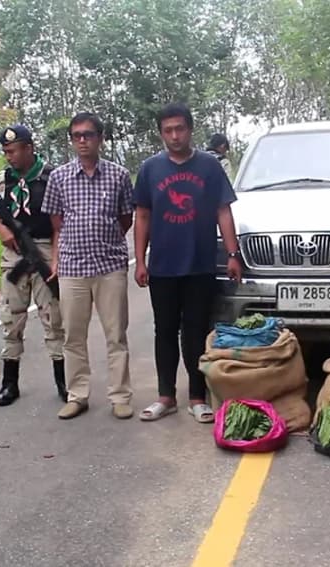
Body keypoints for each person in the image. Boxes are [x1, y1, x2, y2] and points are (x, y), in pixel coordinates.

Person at [133, 103, 242, 424]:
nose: (175, 135)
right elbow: (142, 215)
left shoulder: (209, 166)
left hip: (200, 263)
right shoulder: (151, 168)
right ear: (161, 133)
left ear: (190, 129)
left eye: (180, 128)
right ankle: (165, 396)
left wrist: (233, 254)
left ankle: (197, 396)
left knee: (195, 331)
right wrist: (140, 260)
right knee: (163, 331)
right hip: (163, 266)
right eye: (168, 130)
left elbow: (224, 210)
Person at [41, 113, 135, 420]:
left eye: (88, 135)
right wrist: (58, 257)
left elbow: (125, 219)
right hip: (72, 268)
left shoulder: (119, 175)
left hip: (109, 266)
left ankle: (120, 396)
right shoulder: (59, 177)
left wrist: (103, 240)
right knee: (73, 336)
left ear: (100, 138)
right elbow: (57, 222)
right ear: (71, 140)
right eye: (77, 135)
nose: (82, 140)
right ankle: (77, 395)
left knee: (116, 335)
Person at [0, 124, 67, 407]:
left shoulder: (52, 177)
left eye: (13, 151)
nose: (9, 157)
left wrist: (56, 258)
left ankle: (63, 380)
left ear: (29, 148)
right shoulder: (2, 180)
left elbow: (60, 222)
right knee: (12, 318)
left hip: (44, 249)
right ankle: (10, 382)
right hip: (14, 255)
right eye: (6, 152)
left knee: (53, 318)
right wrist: (2, 229)